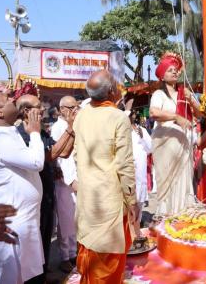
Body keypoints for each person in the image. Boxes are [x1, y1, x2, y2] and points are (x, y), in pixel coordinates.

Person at [73, 69, 138, 283]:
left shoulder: (81, 115)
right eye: (116, 83)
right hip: (109, 199)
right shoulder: (118, 117)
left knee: (91, 247)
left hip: (87, 197)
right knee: (107, 255)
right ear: (111, 91)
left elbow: (76, 155)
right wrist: (132, 200)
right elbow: (125, 164)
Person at [0, 92, 46, 283]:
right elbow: (36, 162)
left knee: (29, 276)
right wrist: (34, 132)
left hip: (25, 222)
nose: (13, 101)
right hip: (12, 225)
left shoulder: (7, 132)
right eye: (8, 100)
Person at [15, 94, 75, 277]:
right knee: (36, 238)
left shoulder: (39, 132)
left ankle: (43, 272)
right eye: (37, 106)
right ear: (26, 111)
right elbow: (48, 156)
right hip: (30, 198)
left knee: (46, 233)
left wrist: (72, 129)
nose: (42, 109)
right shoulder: (20, 133)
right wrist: (71, 128)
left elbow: (62, 152)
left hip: (46, 192)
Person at [149, 53, 198, 215]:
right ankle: (166, 214)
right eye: (170, 70)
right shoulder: (159, 94)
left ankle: (182, 211)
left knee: (183, 178)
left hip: (183, 144)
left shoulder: (184, 93)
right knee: (167, 180)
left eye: (176, 70)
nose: (175, 73)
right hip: (165, 144)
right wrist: (176, 117)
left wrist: (192, 100)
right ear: (162, 76)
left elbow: (199, 114)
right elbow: (154, 112)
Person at [51, 96, 79, 273]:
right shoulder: (58, 128)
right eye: (72, 107)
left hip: (78, 179)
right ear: (62, 110)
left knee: (76, 221)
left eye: (77, 107)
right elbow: (60, 158)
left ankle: (75, 252)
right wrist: (71, 181)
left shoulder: (75, 125)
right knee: (66, 222)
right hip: (65, 183)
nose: (76, 110)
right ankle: (65, 257)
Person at [128, 110, 152, 243]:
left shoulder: (141, 129)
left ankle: (136, 235)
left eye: (131, 114)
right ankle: (132, 236)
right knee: (130, 206)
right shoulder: (120, 131)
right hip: (128, 175)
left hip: (140, 175)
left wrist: (143, 136)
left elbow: (151, 148)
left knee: (139, 205)